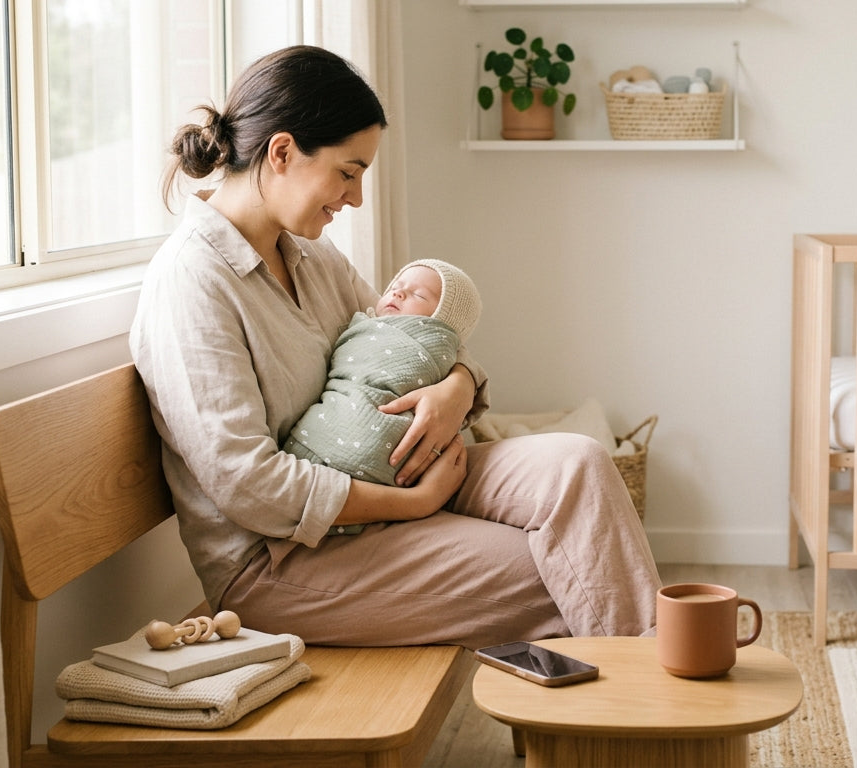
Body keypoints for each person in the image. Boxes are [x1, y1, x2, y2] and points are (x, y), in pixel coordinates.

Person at [129, 45, 660, 648]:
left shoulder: (311, 255)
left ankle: (644, 695)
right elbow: (247, 485)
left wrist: (458, 388)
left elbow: (412, 344)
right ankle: (656, 709)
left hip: (395, 475)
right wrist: (413, 504)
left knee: (580, 464)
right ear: (281, 152)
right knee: (569, 566)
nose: (354, 199)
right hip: (285, 560)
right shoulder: (191, 282)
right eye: (348, 173)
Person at [283, 258, 482, 492]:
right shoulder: (374, 325)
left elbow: (451, 343)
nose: (397, 293)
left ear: (442, 320)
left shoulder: (436, 344)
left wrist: (461, 382)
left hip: (335, 462)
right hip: (317, 476)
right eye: (395, 287)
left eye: (419, 295)